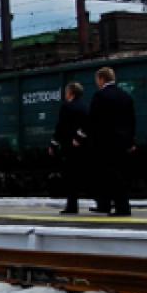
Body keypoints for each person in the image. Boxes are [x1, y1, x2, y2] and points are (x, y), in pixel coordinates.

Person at [87, 66, 136, 217]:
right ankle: (107, 204)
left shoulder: (100, 96)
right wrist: (131, 142)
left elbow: (93, 121)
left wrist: (90, 142)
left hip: (105, 143)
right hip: (123, 142)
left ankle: (121, 208)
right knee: (119, 174)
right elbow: (132, 121)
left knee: (108, 175)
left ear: (102, 79)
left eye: (97, 80)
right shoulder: (125, 96)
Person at [49, 82, 89, 214]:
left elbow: (61, 127)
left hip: (70, 147)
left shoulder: (67, 107)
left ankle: (72, 206)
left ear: (70, 93)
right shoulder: (85, 106)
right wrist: (80, 138)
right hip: (85, 147)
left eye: (66, 92)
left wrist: (53, 144)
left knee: (71, 177)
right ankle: (103, 202)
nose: (65, 95)